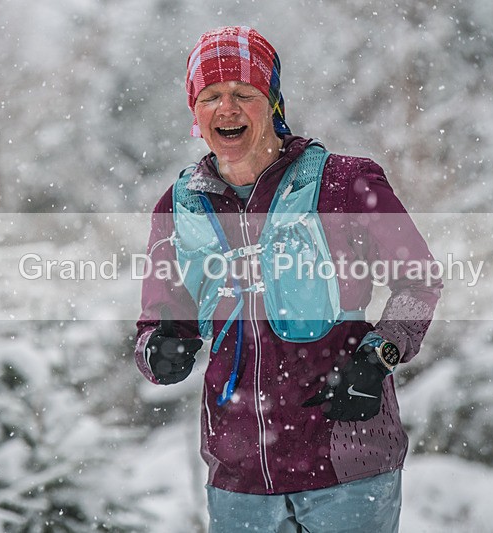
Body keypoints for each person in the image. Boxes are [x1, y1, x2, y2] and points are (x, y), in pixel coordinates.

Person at [135, 26, 442, 532]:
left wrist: (378, 358)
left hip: (348, 465)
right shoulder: (180, 205)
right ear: (196, 112)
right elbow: (159, 322)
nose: (226, 109)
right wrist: (158, 350)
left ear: (272, 102)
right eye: (210, 96)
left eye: (243, 94)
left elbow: (419, 280)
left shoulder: (345, 183)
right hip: (238, 478)